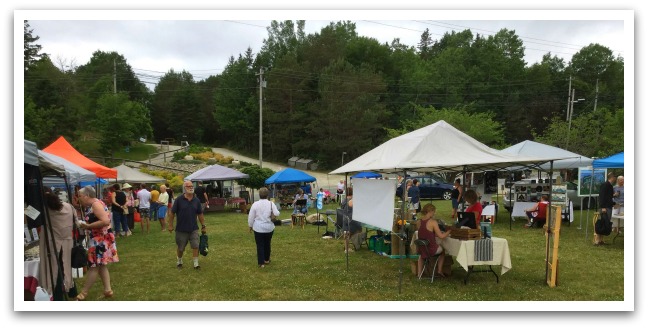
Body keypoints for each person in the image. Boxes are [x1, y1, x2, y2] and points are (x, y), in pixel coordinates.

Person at [75, 186, 119, 300]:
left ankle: (83, 293)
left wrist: (88, 226)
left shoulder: (95, 204)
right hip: (100, 238)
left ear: (86, 196)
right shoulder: (96, 203)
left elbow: (105, 221)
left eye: (79, 196)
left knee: (94, 266)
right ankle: (108, 290)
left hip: (100, 239)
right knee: (101, 265)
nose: (78, 198)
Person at [39, 188, 75, 298]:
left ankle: (58, 297)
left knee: (55, 270)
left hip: (53, 243)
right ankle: (72, 293)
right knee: (67, 268)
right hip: (67, 241)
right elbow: (75, 221)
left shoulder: (45, 209)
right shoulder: (69, 206)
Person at [168, 181, 207, 270]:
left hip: (193, 228)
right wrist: (170, 225)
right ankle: (179, 261)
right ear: (184, 188)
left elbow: (200, 214)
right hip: (181, 229)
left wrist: (203, 225)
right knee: (181, 248)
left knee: (196, 245)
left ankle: (196, 264)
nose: (191, 187)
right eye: (188, 186)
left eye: (192, 186)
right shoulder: (179, 200)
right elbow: (172, 213)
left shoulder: (196, 200)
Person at [415, 203, 452, 278]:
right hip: (431, 249)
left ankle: (419, 274)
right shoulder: (433, 222)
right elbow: (441, 236)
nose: (434, 213)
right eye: (434, 211)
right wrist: (449, 231)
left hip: (422, 247)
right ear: (430, 211)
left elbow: (425, 233)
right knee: (442, 251)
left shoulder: (419, 221)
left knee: (421, 256)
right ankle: (439, 270)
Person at [247, 187, 280, 268]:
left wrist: (250, 226)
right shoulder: (271, 203)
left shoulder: (255, 204)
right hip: (269, 227)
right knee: (267, 243)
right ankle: (267, 259)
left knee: (260, 245)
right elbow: (277, 213)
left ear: (259, 195)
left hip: (258, 228)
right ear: (267, 195)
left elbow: (251, 217)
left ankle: (261, 263)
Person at [595, 172, 617, 245]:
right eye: (615, 177)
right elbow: (602, 197)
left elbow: (608, 197)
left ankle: (601, 240)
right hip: (605, 207)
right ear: (612, 177)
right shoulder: (605, 185)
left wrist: (614, 203)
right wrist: (603, 207)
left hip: (608, 206)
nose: (615, 179)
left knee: (606, 224)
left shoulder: (610, 186)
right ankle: (597, 240)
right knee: (602, 223)